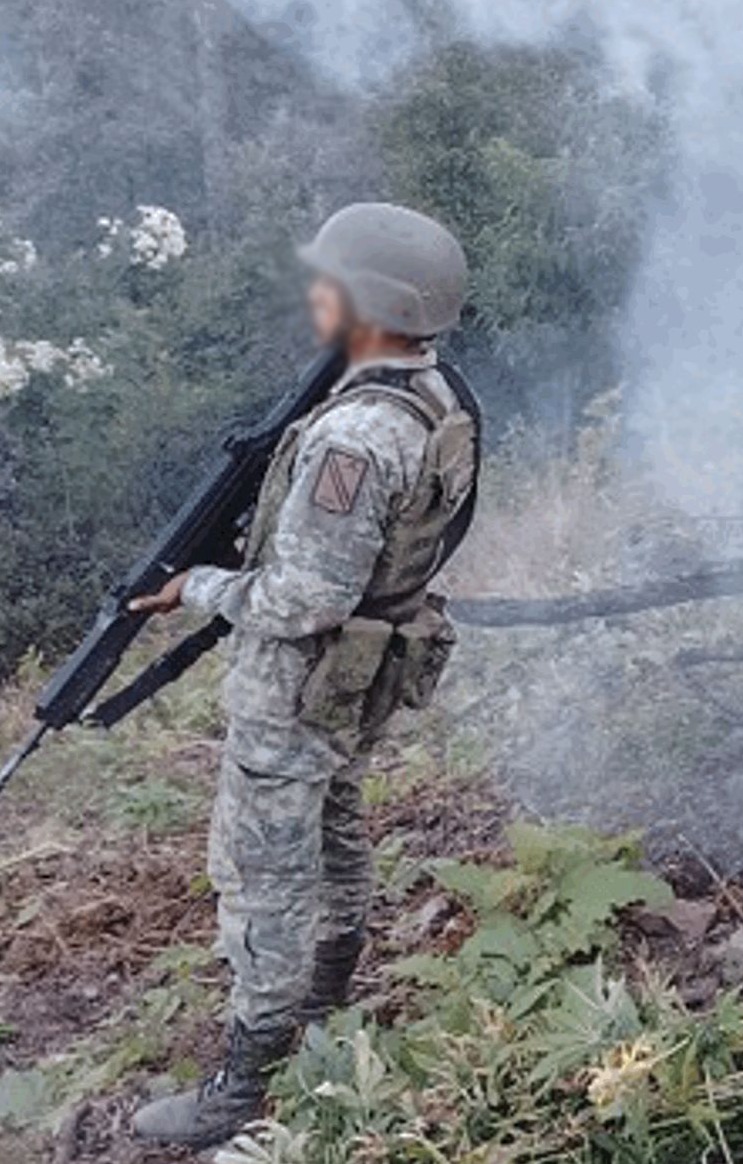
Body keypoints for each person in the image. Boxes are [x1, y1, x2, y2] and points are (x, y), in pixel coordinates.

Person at [127, 203, 480, 1150]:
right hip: (358, 675)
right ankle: (326, 999)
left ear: (367, 301)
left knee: (263, 875)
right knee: (330, 827)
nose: (313, 295)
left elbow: (304, 598)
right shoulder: (437, 397)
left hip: (304, 679)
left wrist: (196, 586)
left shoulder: (355, 436)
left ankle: (247, 1080)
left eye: (328, 280)